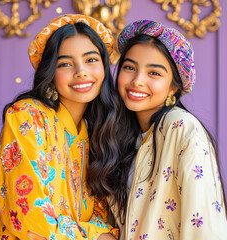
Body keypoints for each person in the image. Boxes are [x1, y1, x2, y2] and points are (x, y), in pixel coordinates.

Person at [87, 20, 227, 239]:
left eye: (154, 73)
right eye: (129, 67)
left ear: (173, 87)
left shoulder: (182, 129)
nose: (137, 81)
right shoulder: (121, 138)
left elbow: (204, 226)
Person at [0, 14, 119, 239]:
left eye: (91, 60)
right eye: (65, 63)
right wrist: (96, 235)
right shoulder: (27, 117)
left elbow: (100, 216)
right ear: (50, 73)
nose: (81, 71)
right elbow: (31, 217)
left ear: (104, 68)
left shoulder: (97, 135)